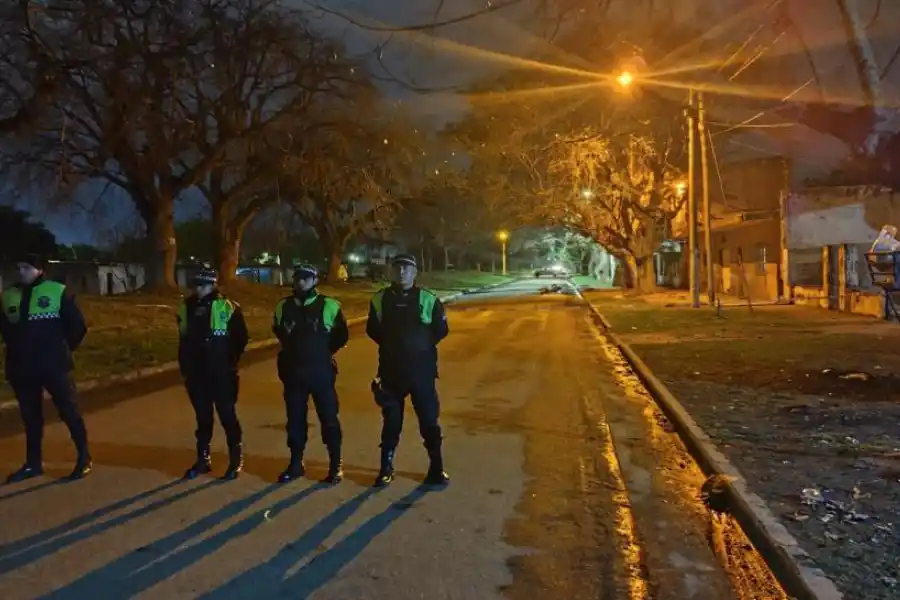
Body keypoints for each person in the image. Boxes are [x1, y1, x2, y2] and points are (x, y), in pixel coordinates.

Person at [1, 254, 91, 483]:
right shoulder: (9, 295)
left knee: (68, 411)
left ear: (40, 270)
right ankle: (33, 463)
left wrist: (62, 350)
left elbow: (77, 327)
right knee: (30, 418)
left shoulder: (57, 291)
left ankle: (84, 458)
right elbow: (5, 330)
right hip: (22, 368)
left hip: (55, 366)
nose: (22, 271)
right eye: (19, 267)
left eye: (27, 267)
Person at [366, 253, 450, 487]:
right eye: (398, 268)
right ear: (392, 272)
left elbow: (440, 331)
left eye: (407, 268)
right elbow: (373, 330)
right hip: (391, 372)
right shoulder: (380, 299)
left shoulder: (428, 299)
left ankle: (436, 468)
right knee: (391, 422)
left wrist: (417, 347)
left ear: (415, 272)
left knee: (429, 422)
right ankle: (385, 468)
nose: (402, 272)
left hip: (421, 373)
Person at [273, 264, 349, 484]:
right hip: (293, 372)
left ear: (315, 280)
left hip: (320, 371)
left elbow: (341, 335)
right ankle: (295, 463)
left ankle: (335, 465)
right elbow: (278, 331)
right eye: (298, 278)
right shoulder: (283, 307)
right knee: (295, 420)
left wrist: (323, 352)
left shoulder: (329, 306)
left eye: (306, 279)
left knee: (328, 418)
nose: (301, 282)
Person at [177, 268, 248, 480]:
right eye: (195, 285)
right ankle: (203, 459)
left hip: (222, 373)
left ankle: (236, 459)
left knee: (227, 416)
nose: (197, 289)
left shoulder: (228, 307)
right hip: (197, 374)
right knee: (203, 418)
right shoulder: (186, 307)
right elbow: (183, 337)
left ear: (211, 284)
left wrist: (227, 361)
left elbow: (241, 339)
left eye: (201, 285)